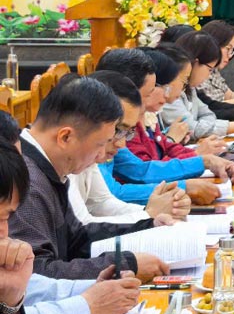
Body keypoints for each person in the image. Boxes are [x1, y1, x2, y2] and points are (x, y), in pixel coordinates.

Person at [7, 77, 169, 281]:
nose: (101, 156)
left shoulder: (47, 168)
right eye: (100, 144)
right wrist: (124, 264)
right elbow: (36, 275)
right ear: (65, 137)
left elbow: (77, 239)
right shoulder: (26, 181)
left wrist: (147, 227)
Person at [0, 142, 142, 314]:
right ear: (65, 137)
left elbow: (33, 286)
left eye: (5, 218)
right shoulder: (34, 182)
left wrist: (95, 288)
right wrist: (88, 305)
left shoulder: (51, 176)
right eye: (100, 143)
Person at [94, 52, 234, 206]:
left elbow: (139, 170)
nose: (122, 143)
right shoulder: (97, 130)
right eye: (148, 93)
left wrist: (204, 161)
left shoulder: (120, 129)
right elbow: (111, 195)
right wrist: (182, 188)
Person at [69, 71, 190, 225]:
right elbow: (81, 228)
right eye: (118, 130)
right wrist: (149, 215)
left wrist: (151, 215)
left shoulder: (87, 152)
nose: (122, 144)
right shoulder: (71, 153)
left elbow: (101, 202)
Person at [161, 32, 234, 140]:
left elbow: (208, 113)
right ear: (195, 62)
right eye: (209, 69)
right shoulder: (169, 91)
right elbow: (193, 128)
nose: (209, 75)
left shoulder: (189, 88)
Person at [130, 48, 224, 158]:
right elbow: (146, 168)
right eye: (164, 87)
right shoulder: (129, 122)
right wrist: (196, 155)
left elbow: (163, 149)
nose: (166, 94)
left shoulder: (149, 114)